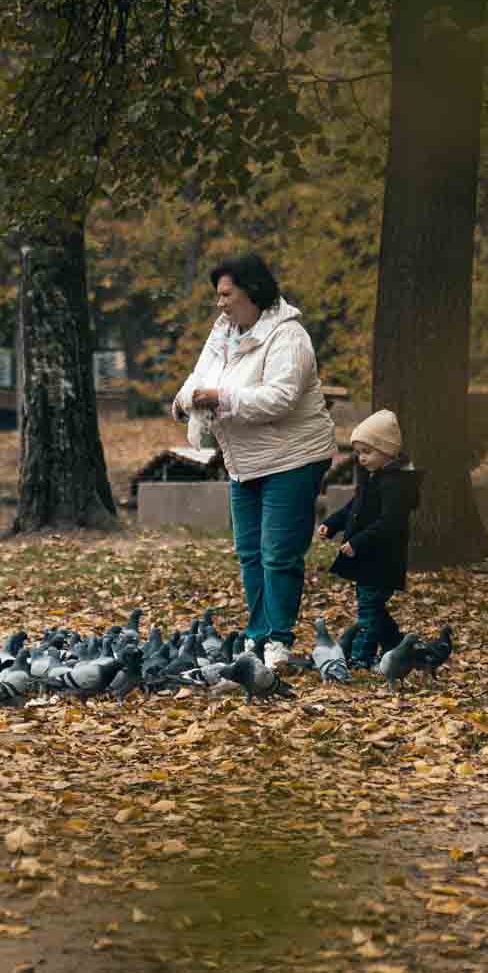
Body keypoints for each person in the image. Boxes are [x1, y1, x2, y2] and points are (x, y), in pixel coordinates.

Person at [172, 253, 336, 671]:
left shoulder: (289, 336)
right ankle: (258, 635)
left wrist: (221, 399)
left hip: (293, 457)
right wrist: (184, 399)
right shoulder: (225, 331)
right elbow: (200, 375)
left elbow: (281, 397)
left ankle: (276, 640)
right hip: (244, 459)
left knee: (278, 553)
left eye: (227, 294)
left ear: (252, 291)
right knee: (249, 552)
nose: (221, 303)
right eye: (218, 295)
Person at [316, 409, 424, 670]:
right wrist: (332, 524)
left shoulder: (396, 485)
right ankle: (396, 645)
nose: (361, 459)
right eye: (359, 452)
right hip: (369, 559)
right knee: (373, 607)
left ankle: (362, 657)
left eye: (368, 452)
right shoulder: (375, 477)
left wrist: (358, 542)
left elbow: (390, 524)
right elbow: (356, 507)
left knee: (368, 609)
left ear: (388, 451)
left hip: (382, 559)